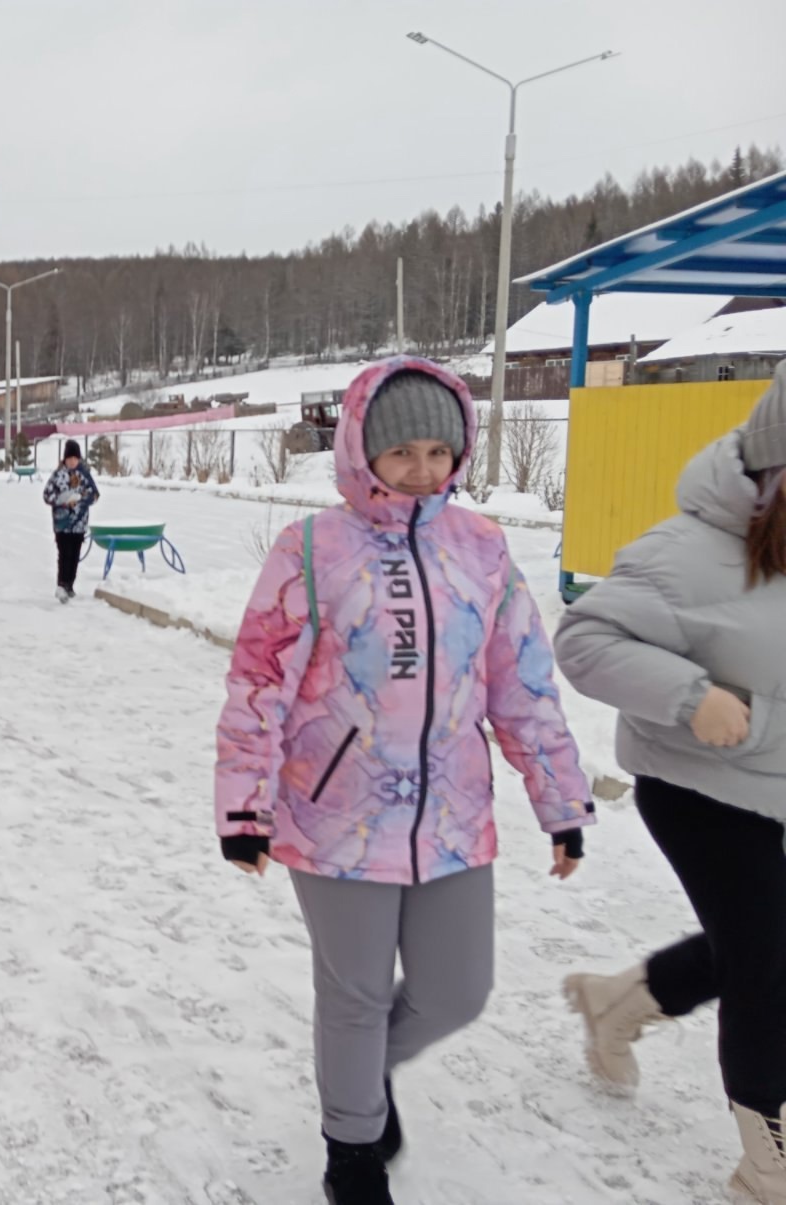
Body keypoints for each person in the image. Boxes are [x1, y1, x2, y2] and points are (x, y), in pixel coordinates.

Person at [214, 358, 594, 1205]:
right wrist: (247, 803)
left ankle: (356, 1076)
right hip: (334, 813)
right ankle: (351, 1150)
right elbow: (259, 680)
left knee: (457, 991)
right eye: (403, 451)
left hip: (453, 814)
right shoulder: (311, 550)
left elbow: (522, 683)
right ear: (361, 450)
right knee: (350, 994)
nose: (422, 468)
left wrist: (561, 802)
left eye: (438, 450)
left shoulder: (483, 550)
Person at [554, 363, 786, 1205]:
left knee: (756, 945)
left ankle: (622, 1003)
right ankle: (770, 1160)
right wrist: (696, 697)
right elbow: (584, 640)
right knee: (768, 964)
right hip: (706, 793)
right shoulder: (685, 553)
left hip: (779, 782)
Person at [43, 438, 100, 602]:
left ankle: (70, 584)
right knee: (64, 553)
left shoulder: (84, 475)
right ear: (65, 459)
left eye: (75, 458)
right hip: (62, 523)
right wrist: (61, 500)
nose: (72, 461)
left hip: (79, 523)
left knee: (75, 554)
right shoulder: (58, 475)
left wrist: (80, 500)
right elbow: (47, 495)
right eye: (69, 459)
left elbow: (94, 495)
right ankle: (61, 584)